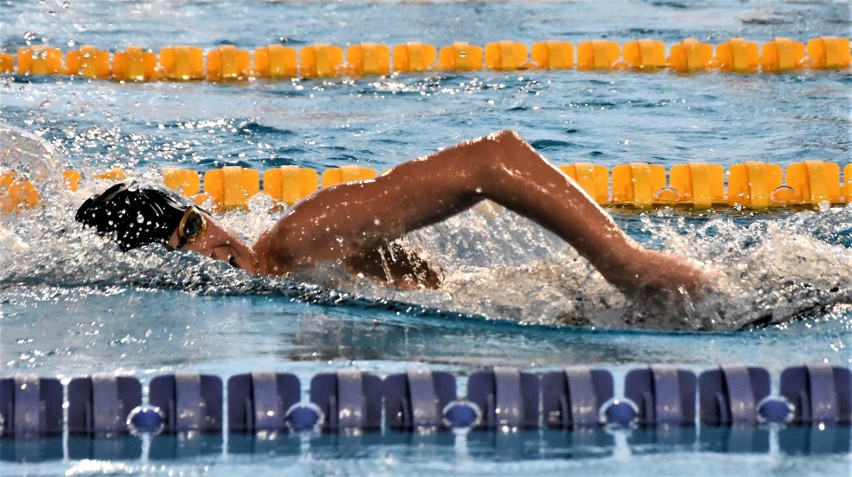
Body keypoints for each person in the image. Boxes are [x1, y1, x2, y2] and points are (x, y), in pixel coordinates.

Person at [76, 130, 708, 303]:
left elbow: (493, 159)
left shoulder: (291, 242)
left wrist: (623, 262)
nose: (208, 245)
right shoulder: (290, 274)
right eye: (179, 245)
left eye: (194, 223)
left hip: (610, 298)